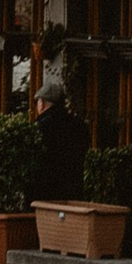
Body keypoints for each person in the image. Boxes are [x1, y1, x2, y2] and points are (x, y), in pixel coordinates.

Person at [33, 74, 91, 202]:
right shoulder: (79, 125)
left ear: (41, 103)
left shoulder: (39, 127)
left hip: (45, 191)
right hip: (73, 190)